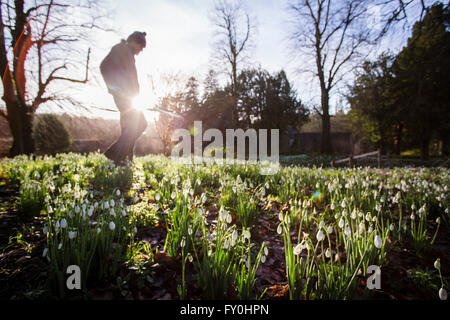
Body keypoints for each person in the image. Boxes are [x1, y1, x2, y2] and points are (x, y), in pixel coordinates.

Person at [100, 31, 148, 165]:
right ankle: (114, 154)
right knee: (140, 124)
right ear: (134, 42)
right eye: (141, 47)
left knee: (129, 127)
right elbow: (104, 66)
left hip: (130, 97)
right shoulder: (120, 49)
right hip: (123, 96)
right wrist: (113, 87)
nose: (140, 51)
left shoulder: (128, 53)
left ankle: (125, 159)